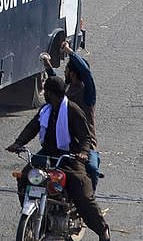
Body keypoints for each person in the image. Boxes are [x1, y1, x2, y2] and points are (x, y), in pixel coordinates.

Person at [6, 76, 111, 241]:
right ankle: (34, 215)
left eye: (46, 91)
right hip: (48, 153)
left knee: (80, 186)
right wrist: (18, 143)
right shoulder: (46, 110)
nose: (44, 94)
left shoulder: (72, 110)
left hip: (70, 156)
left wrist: (83, 152)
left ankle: (102, 229)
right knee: (25, 176)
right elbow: (32, 127)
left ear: (50, 93)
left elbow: (85, 137)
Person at [40, 42, 100, 189]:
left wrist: (69, 51)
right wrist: (48, 66)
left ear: (72, 73)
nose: (64, 73)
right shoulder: (65, 90)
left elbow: (86, 73)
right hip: (60, 143)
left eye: (66, 70)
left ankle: (89, 200)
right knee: (35, 164)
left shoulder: (87, 94)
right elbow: (55, 84)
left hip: (83, 145)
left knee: (91, 169)